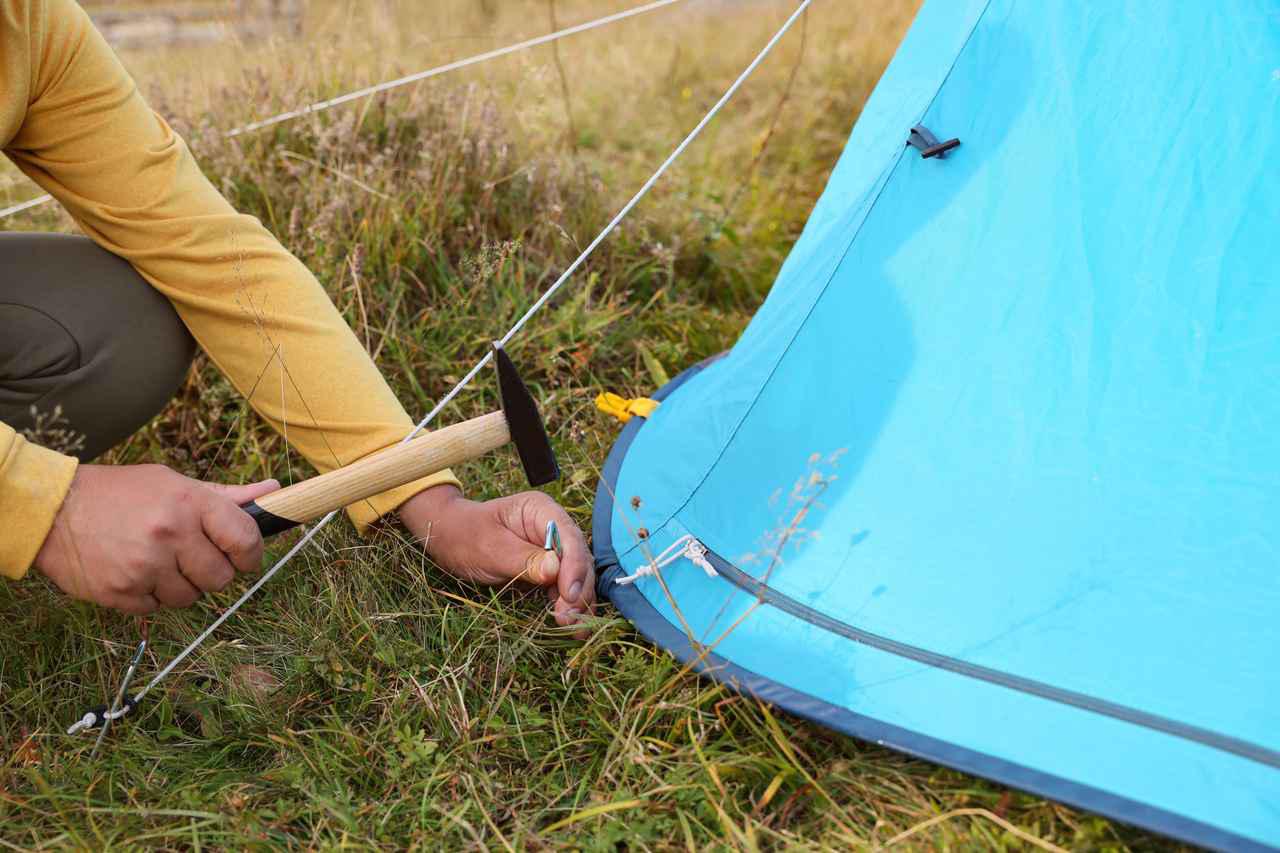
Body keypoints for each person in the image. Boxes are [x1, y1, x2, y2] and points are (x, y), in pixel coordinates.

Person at [0, 0, 595, 625]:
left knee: (122, 327)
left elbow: (203, 248)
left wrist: (427, 503)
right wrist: (47, 506)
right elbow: (44, 505)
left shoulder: (28, 24)